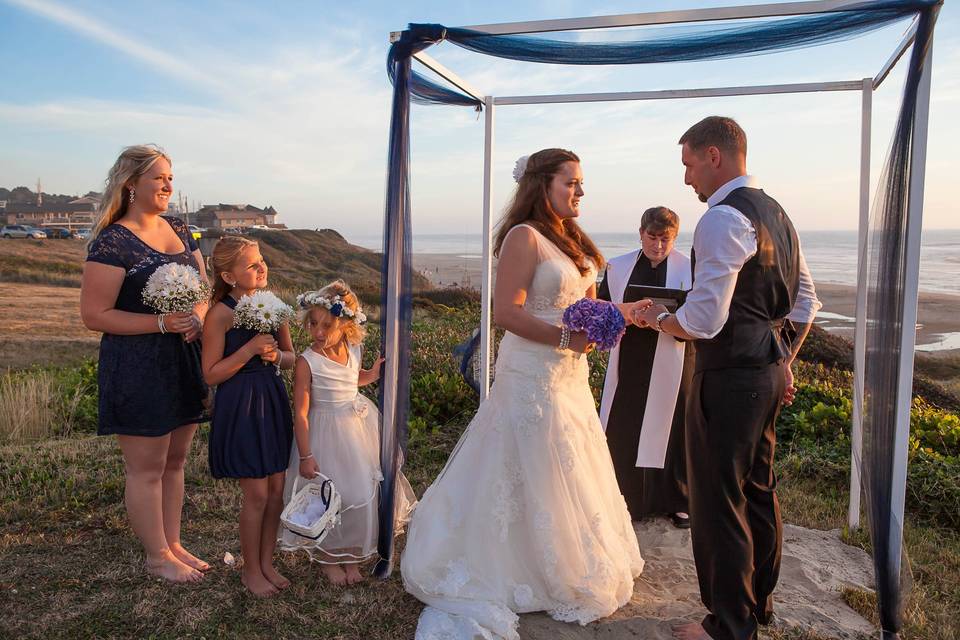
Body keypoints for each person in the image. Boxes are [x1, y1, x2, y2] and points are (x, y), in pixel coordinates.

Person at [402, 149, 644, 640]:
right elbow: (506, 314)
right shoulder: (523, 237)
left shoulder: (572, 237)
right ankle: (514, 564)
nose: (580, 191)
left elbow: (581, 304)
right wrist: (564, 339)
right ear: (543, 185)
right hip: (531, 371)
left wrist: (616, 315)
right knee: (529, 458)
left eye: (581, 183)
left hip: (569, 374)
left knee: (569, 459)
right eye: (571, 182)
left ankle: (559, 554)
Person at [633, 117, 821, 640]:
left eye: (689, 164)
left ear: (714, 156)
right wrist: (784, 359)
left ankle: (728, 625)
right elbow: (805, 301)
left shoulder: (720, 219)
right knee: (759, 489)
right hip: (766, 371)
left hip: (728, 378)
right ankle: (757, 605)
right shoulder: (777, 213)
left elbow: (703, 321)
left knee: (718, 500)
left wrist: (656, 320)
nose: (688, 179)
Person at [81, 144, 210, 583]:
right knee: (146, 467)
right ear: (131, 184)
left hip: (184, 358)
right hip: (138, 364)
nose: (168, 186)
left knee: (176, 462)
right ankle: (156, 557)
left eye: (171, 177)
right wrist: (159, 322)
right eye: (159, 178)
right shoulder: (113, 240)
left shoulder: (179, 227)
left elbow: (206, 289)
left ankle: (172, 544)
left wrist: (199, 317)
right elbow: (93, 315)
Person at [278, 280, 415, 586]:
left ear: (346, 326)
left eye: (327, 326)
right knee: (328, 496)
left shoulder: (353, 348)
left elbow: (352, 380)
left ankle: (351, 555)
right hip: (324, 432)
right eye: (313, 324)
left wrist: (374, 374)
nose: (318, 332)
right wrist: (306, 454)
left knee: (359, 492)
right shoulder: (306, 361)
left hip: (356, 428)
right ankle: (328, 558)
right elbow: (300, 411)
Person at [201, 236, 295, 597]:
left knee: (276, 490)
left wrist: (275, 358)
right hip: (240, 403)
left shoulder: (274, 306)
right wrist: (249, 350)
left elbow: (290, 356)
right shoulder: (220, 314)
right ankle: (250, 569)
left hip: (271, 398)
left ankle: (267, 561)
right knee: (255, 494)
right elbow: (211, 374)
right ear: (228, 275)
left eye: (261, 260)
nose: (261, 267)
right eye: (252, 264)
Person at [597, 206, 694, 528]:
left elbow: (700, 313)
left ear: (675, 237)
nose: (657, 245)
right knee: (625, 424)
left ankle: (677, 501)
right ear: (641, 234)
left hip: (676, 357)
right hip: (631, 357)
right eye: (652, 237)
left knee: (675, 426)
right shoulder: (618, 267)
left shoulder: (690, 268)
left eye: (665, 239)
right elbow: (603, 307)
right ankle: (625, 499)